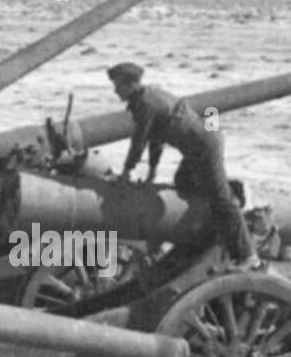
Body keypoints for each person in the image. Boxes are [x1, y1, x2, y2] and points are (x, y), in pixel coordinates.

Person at [107, 62, 258, 266]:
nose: (115, 90)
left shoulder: (146, 103)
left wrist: (127, 171)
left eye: (118, 85)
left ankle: (248, 255)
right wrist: (152, 169)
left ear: (131, 84)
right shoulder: (147, 97)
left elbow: (139, 141)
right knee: (184, 182)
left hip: (204, 145)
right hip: (196, 145)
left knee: (221, 200)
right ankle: (210, 219)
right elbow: (155, 137)